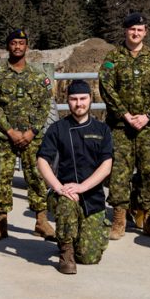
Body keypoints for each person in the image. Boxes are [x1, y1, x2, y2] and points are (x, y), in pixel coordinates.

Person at [99, 12, 150, 240]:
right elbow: (106, 87)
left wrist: (148, 115)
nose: (136, 33)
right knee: (119, 173)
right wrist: (125, 114)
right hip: (121, 127)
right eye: (132, 29)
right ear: (126, 31)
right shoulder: (113, 58)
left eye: (140, 29)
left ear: (145, 32)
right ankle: (119, 219)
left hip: (147, 128)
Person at [0, 29, 55, 241]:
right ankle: (1, 222)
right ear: (8, 46)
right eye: (13, 43)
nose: (17, 46)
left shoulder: (37, 76)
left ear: (26, 46)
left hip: (31, 137)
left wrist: (32, 131)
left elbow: (45, 105)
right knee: (3, 179)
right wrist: (10, 131)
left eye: (21, 43)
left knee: (36, 178)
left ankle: (41, 221)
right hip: (5, 137)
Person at [37, 79, 113, 274]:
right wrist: (57, 187)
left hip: (92, 197)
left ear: (90, 99)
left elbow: (106, 166)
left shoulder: (102, 130)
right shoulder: (57, 129)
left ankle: (77, 236)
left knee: (89, 257)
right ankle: (66, 251)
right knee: (67, 201)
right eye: (73, 99)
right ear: (67, 101)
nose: (79, 103)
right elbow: (42, 160)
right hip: (65, 193)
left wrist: (83, 187)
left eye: (83, 98)